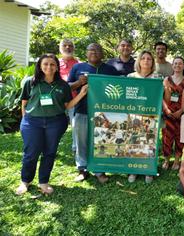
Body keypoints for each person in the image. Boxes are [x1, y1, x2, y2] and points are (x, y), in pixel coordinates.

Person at [16, 54, 88, 195]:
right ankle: (25, 181)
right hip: (32, 122)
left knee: (49, 153)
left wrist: (82, 93)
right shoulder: (30, 82)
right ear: (40, 66)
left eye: (52, 64)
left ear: (56, 67)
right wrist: (25, 121)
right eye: (45, 64)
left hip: (55, 122)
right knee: (31, 153)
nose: (49, 67)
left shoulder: (63, 85)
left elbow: (67, 105)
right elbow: (24, 103)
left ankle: (43, 182)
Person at [68, 43, 118, 184]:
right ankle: (82, 170)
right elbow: (67, 87)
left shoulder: (110, 69)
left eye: (97, 50)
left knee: (101, 142)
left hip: (104, 113)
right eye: (91, 50)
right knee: (81, 141)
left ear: (102, 53)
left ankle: (99, 170)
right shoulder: (77, 68)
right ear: (86, 53)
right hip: (82, 110)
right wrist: (79, 82)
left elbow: (119, 87)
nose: (94, 52)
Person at [127, 50, 159, 183]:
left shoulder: (158, 78)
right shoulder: (130, 76)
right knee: (134, 141)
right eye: (143, 58)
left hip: (151, 115)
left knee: (149, 142)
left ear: (152, 63)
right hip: (134, 114)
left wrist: (167, 89)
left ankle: (148, 170)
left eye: (149, 59)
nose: (146, 61)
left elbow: (163, 97)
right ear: (139, 61)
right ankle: (133, 170)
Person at [162, 56, 184, 170]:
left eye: (180, 64)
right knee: (166, 137)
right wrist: (166, 109)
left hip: (182, 114)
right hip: (168, 113)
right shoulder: (167, 80)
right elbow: (161, 97)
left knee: (180, 137)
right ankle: (166, 160)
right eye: (175, 63)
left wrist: (181, 111)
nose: (177, 65)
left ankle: (177, 161)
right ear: (172, 65)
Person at [59, 39, 79, 154]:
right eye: (65, 45)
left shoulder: (78, 64)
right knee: (54, 126)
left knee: (75, 125)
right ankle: (50, 148)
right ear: (60, 48)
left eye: (70, 46)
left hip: (73, 99)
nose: (67, 48)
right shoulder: (55, 63)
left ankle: (75, 148)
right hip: (57, 101)